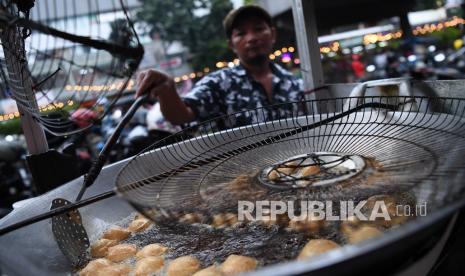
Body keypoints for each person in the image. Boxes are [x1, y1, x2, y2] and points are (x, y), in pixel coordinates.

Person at [135, 5, 303, 129]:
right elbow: (181, 115)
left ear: (272, 34)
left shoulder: (294, 84)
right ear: (231, 44)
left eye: (259, 29)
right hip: (240, 176)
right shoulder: (218, 83)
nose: (251, 38)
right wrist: (167, 91)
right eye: (241, 33)